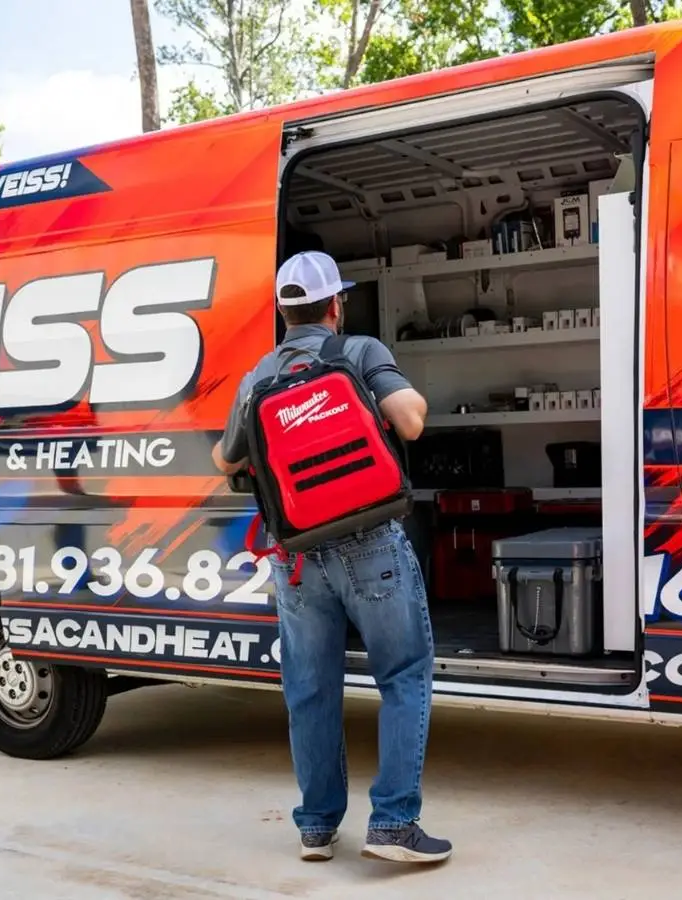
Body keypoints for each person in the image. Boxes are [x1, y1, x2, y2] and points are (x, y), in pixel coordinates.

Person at [212, 250, 452, 865]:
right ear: (335, 304)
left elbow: (226, 460)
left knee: (311, 689)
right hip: (370, 542)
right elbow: (411, 420)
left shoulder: (258, 376)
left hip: (295, 557)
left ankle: (317, 827)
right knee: (402, 674)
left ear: (283, 311)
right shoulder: (360, 353)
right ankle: (394, 825)